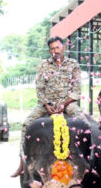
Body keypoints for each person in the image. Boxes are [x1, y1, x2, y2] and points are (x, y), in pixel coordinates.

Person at [13, 36, 84, 176]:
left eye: (57, 47)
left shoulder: (73, 64)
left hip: (67, 103)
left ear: (63, 47)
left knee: (85, 123)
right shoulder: (43, 65)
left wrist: (64, 103)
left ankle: (90, 157)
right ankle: (22, 162)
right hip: (46, 104)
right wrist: (46, 105)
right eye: (52, 48)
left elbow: (76, 90)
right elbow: (39, 88)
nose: (55, 51)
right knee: (26, 124)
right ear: (49, 50)